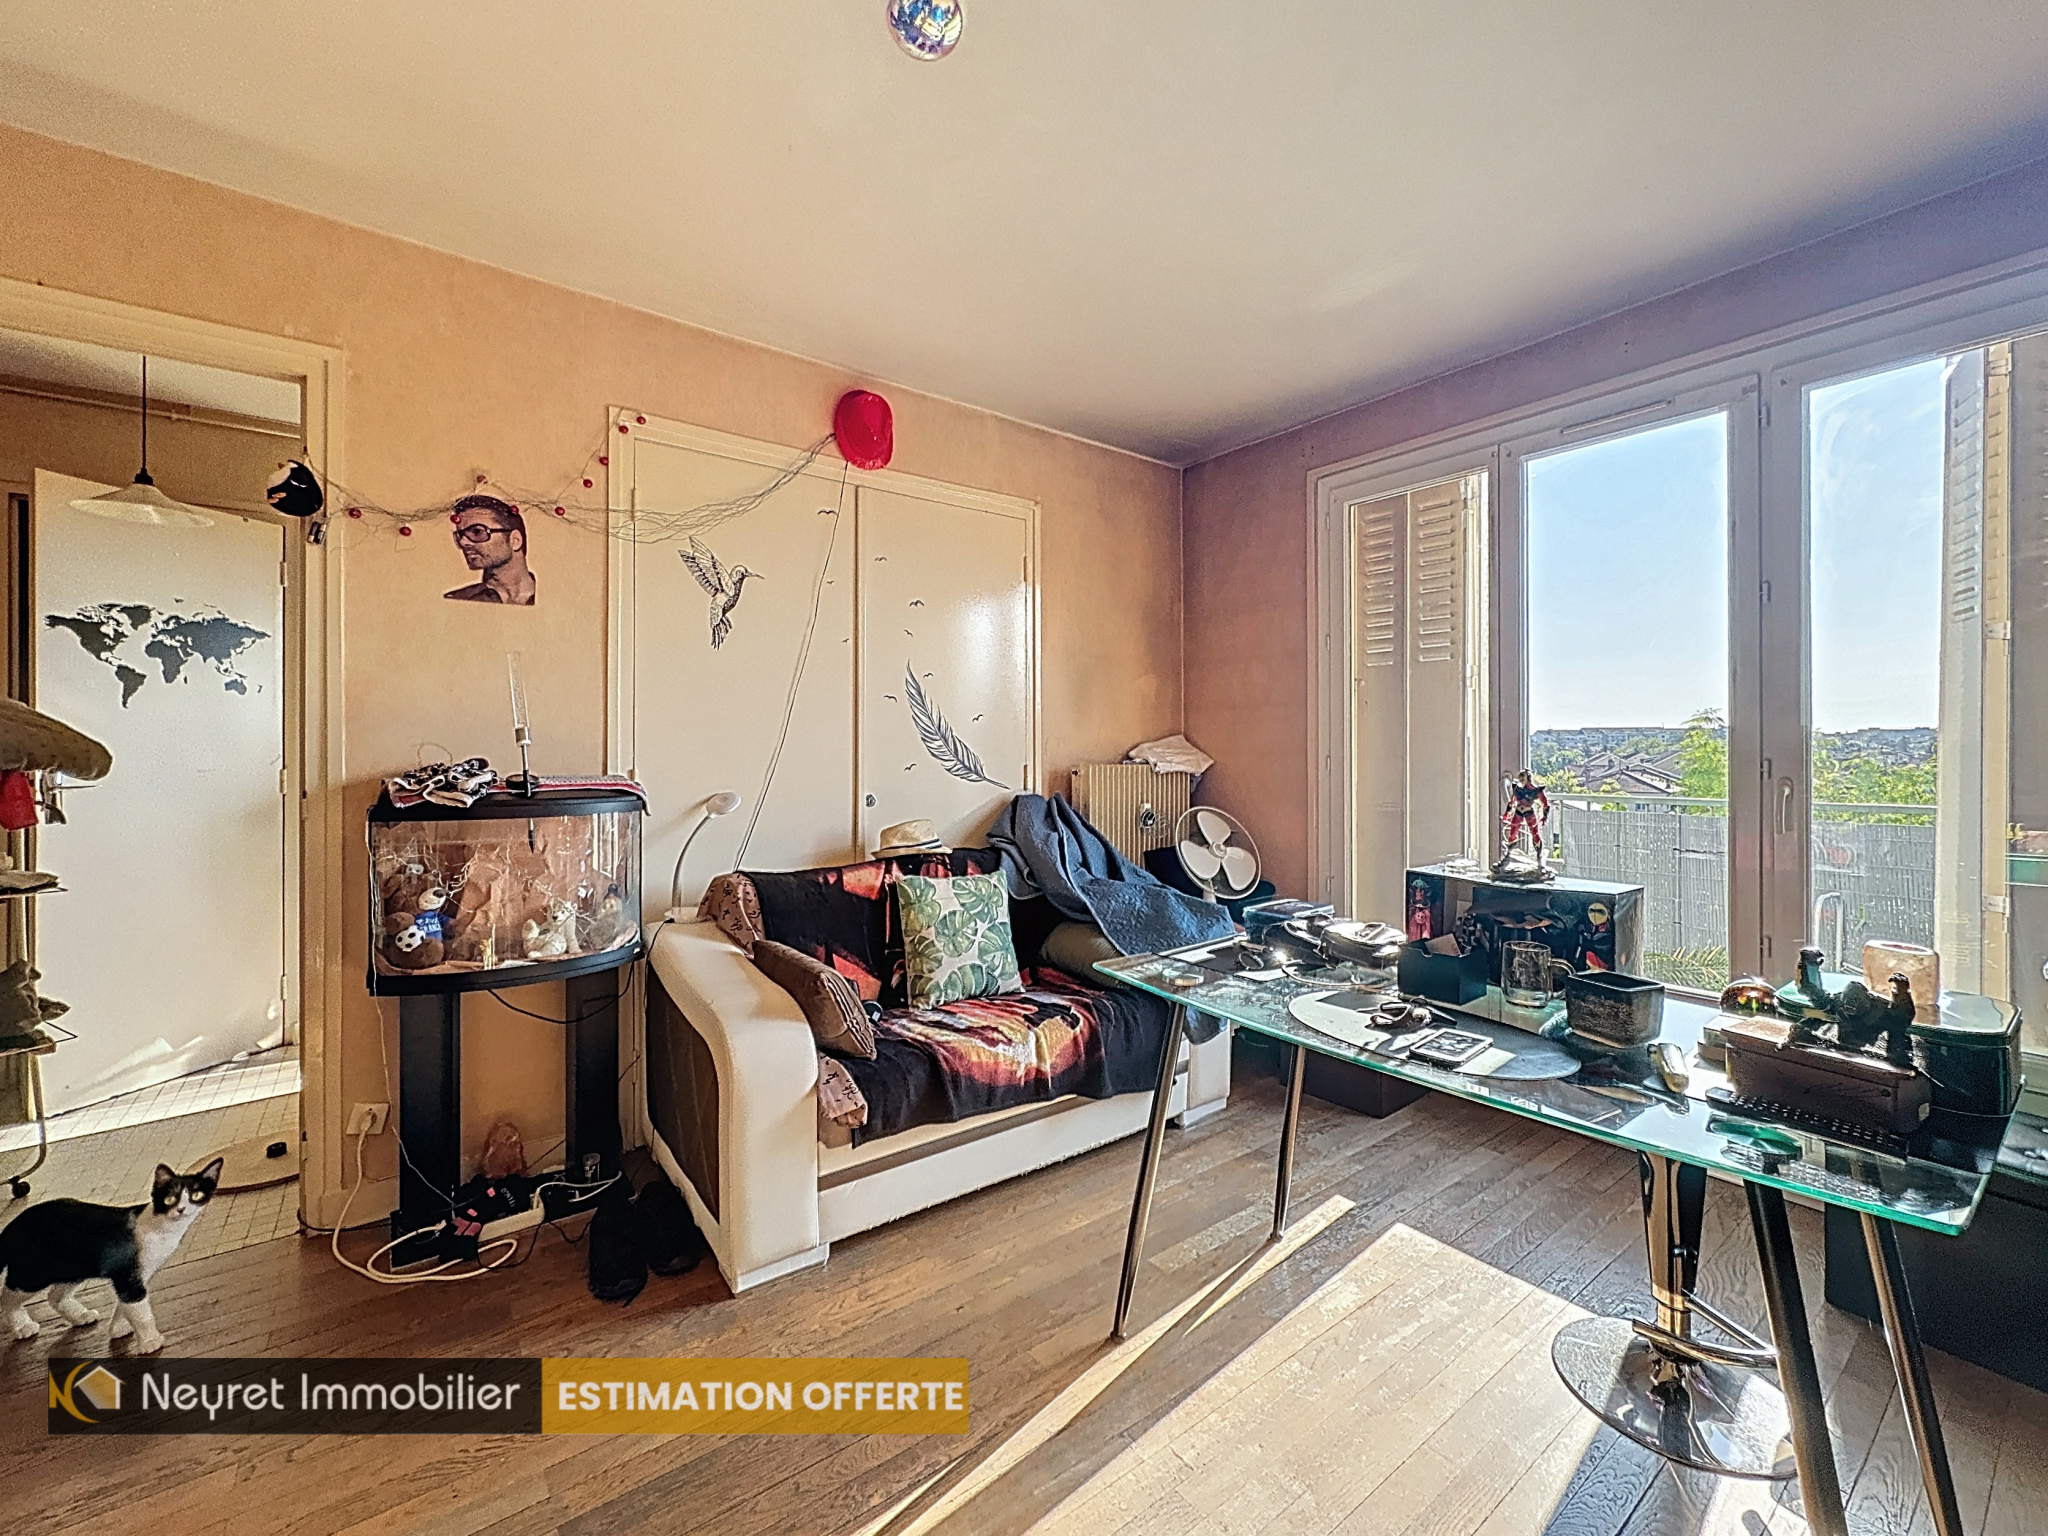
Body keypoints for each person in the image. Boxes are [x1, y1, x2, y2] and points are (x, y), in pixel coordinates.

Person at [444, 495, 536, 606]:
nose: (463, 542)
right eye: (459, 536)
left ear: (515, 540)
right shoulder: (456, 601)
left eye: (477, 532)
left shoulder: (551, 596)